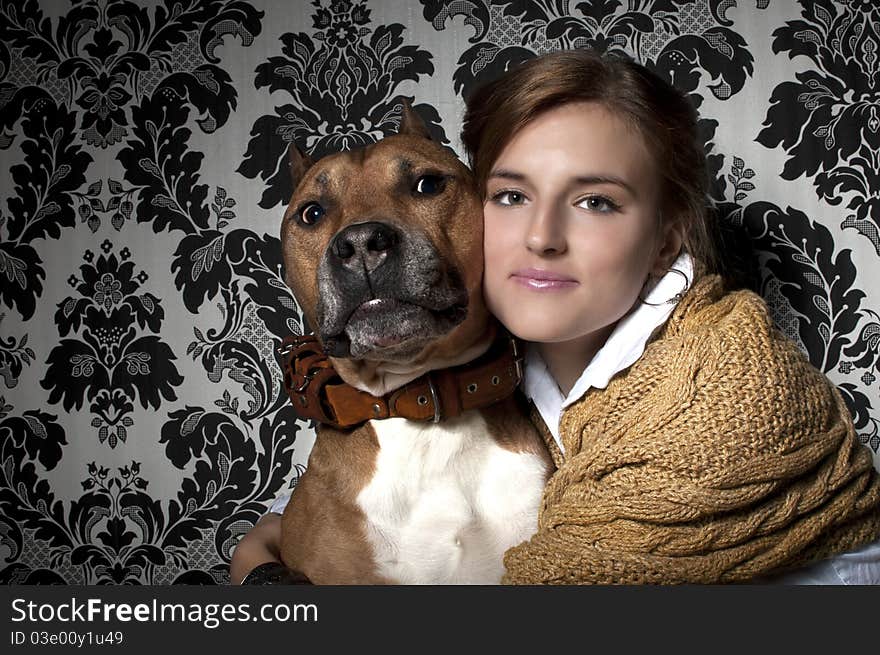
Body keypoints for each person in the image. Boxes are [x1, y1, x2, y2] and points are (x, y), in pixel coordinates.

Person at [231, 48, 880, 584]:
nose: (541, 236)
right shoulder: (529, 366)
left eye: (596, 200)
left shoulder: (722, 392)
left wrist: (260, 582)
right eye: (512, 194)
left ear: (665, 237)